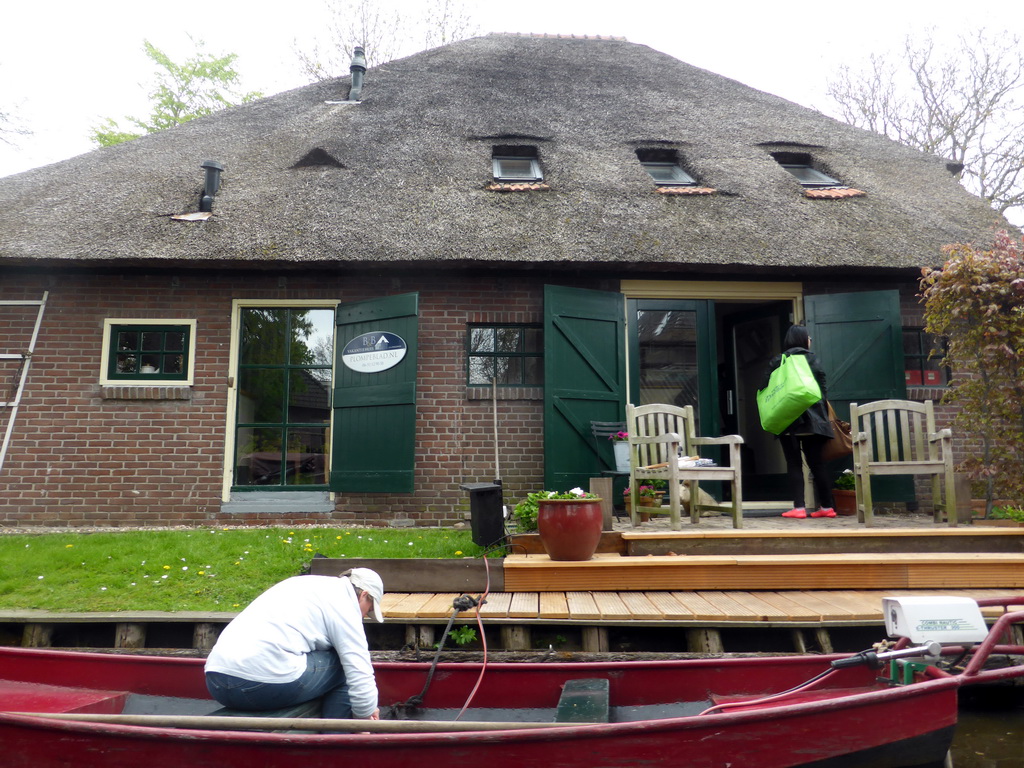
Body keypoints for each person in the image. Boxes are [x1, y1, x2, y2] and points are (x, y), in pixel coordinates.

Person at [204, 567, 384, 720]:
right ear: (364, 595)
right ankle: (337, 741)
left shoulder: (302, 584)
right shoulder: (345, 604)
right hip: (260, 688)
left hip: (216, 682)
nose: (362, 617)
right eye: (367, 611)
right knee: (343, 664)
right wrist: (364, 715)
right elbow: (359, 670)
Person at [761, 324, 836, 519]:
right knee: (817, 464)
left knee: (794, 463)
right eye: (808, 337)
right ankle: (827, 507)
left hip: (789, 420)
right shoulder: (813, 359)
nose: (810, 340)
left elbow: (765, 387)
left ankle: (799, 508)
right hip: (814, 422)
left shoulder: (779, 360)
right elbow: (823, 390)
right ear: (803, 339)